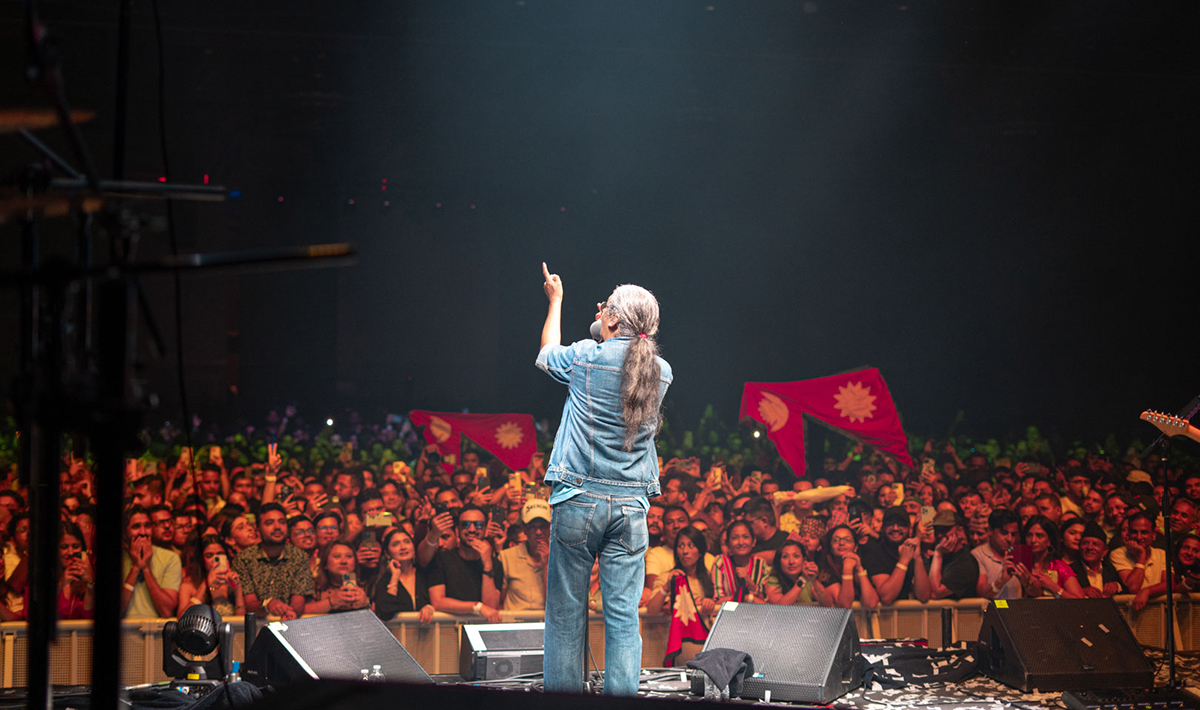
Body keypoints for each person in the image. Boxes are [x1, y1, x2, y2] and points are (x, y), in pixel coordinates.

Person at [537, 265, 672, 696]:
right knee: (622, 616)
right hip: (631, 508)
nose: (598, 312)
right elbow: (630, 357)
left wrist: (556, 301)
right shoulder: (662, 372)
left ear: (613, 319)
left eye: (603, 308)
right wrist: (604, 324)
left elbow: (545, 353)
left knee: (565, 615)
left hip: (579, 500)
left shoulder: (586, 357)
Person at [232, 503, 313, 620]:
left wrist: (291, 612)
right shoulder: (244, 558)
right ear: (258, 529)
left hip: (289, 624)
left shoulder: (299, 557)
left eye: (282, 522)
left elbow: (298, 599)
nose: (277, 527)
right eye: (269, 523)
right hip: (257, 627)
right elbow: (249, 603)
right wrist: (267, 605)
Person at [427, 506, 503, 622]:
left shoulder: (494, 564)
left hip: (480, 630)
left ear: (486, 530)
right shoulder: (442, 559)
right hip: (447, 632)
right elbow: (437, 602)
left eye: (478, 525)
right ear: (457, 531)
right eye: (465, 524)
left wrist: (487, 565)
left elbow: (491, 606)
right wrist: (477, 607)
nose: (472, 529)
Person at [120, 506, 182, 618]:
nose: (143, 532)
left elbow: (166, 611)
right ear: (125, 533)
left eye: (147, 526)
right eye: (136, 527)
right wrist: (135, 568)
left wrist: (146, 569)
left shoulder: (170, 558)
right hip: (123, 632)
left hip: (156, 630)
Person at [497, 499, 551, 610]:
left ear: (551, 527)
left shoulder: (563, 558)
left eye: (543, 526)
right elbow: (499, 601)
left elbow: (555, 605)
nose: (538, 532)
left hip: (547, 624)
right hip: (516, 624)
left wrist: (547, 565)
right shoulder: (507, 557)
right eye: (533, 527)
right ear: (524, 529)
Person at [373, 528, 434, 623]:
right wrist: (395, 577)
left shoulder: (426, 574)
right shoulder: (384, 580)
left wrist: (430, 608)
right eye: (395, 544)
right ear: (387, 553)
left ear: (413, 547)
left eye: (407, 542)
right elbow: (385, 612)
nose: (403, 547)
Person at [813, 523, 880, 609]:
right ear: (830, 547)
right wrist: (847, 569)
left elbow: (871, 603)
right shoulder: (825, 571)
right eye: (836, 540)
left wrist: (859, 568)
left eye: (847, 540)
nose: (841, 543)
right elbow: (845, 605)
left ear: (855, 547)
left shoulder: (864, 563)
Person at [1015, 515, 1083, 598]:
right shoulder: (1020, 564)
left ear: (1049, 541)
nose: (1033, 540)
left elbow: (1079, 601)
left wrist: (1053, 587)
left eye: (1039, 536)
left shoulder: (1059, 567)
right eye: (1029, 535)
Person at [177, 534, 245, 618]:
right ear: (201, 559)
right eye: (209, 555)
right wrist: (205, 584)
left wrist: (238, 590)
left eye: (220, 554)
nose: (214, 560)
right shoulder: (188, 586)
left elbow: (241, 622)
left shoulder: (231, 585)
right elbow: (182, 618)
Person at [711, 520, 770, 604]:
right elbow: (718, 600)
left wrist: (749, 581)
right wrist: (746, 598)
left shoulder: (760, 564)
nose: (741, 542)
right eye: (735, 538)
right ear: (728, 543)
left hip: (755, 614)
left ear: (753, 541)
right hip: (729, 613)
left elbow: (764, 600)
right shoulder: (721, 562)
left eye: (745, 537)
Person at [306, 541, 371, 613]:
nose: (344, 561)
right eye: (337, 556)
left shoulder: (367, 585)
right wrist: (331, 602)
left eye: (349, 556)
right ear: (325, 563)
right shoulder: (314, 586)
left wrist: (366, 603)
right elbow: (301, 611)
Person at [1069, 523, 1121, 598]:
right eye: (1085, 543)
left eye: (1095, 544)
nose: (1089, 547)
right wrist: (1080, 591)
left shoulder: (1110, 569)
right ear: (1079, 547)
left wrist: (1116, 586)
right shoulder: (1070, 570)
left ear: (1105, 551)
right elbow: (1057, 595)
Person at [56, 521, 95, 619]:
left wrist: (90, 584)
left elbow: (88, 616)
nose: (70, 552)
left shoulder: (90, 575)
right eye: (64, 547)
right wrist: (61, 585)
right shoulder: (42, 576)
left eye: (75, 546)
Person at [763, 540, 817, 605]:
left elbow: (828, 603)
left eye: (796, 556)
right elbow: (781, 607)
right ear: (779, 561)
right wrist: (802, 581)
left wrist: (814, 580)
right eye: (785, 557)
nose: (791, 562)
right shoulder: (773, 580)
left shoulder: (808, 580)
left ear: (804, 560)